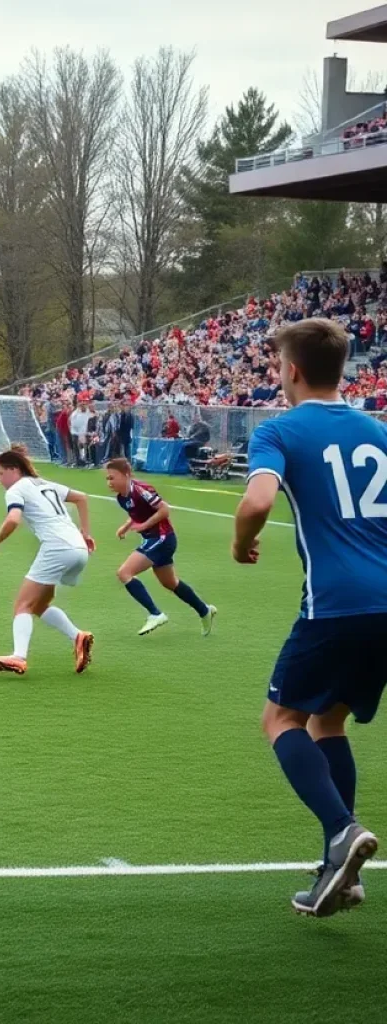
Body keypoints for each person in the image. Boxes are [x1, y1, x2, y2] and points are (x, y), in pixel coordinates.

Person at [233, 318, 384, 917]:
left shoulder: (280, 430)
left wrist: (242, 543)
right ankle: (336, 874)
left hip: (337, 602)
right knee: (329, 721)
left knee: (280, 719)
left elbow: (258, 500)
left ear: (291, 370)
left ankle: (342, 831)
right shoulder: (377, 430)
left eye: (277, 366)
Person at [0, 445, 95, 676]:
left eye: (0, 473)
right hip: (78, 549)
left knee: (22, 605)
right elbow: (81, 498)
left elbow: (13, 520)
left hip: (57, 548)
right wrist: (86, 533)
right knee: (39, 605)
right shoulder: (44, 484)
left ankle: (18, 657)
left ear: (14, 470)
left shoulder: (16, 489)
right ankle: (78, 636)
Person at [104, 457, 216, 636]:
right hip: (154, 540)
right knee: (170, 583)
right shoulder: (121, 497)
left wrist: (144, 525)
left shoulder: (140, 490)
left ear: (126, 474)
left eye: (112, 477)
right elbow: (137, 513)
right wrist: (125, 527)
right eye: (107, 478)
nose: (109, 482)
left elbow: (164, 509)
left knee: (124, 572)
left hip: (162, 538)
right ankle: (204, 610)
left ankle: (155, 614)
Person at [70, 402, 91, 467]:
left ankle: (85, 461)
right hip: (76, 434)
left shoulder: (87, 412)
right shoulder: (75, 414)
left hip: (84, 433)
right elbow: (75, 425)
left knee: (85, 447)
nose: (84, 407)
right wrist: (80, 434)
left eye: (85, 405)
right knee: (78, 448)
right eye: (82, 405)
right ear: (79, 407)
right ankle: (78, 462)